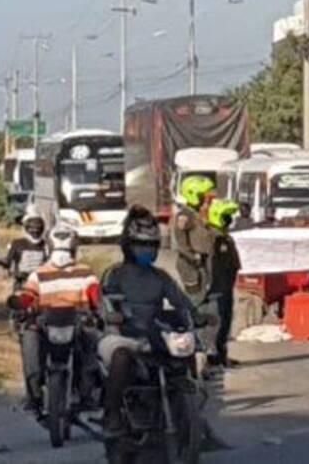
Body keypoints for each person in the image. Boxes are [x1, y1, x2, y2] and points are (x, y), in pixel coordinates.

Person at [99, 205, 199, 441]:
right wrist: (112, 315)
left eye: (152, 246)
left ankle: (190, 413)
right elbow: (104, 303)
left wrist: (197, 316)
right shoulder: (114, 275)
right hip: (120, 335)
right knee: (121, 356)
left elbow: (181, 302)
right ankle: (112, 413)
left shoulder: (161, 277)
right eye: (141, 245)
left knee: (186, 355)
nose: (147, 250)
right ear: (128, 246)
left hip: (155, 337)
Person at [14, 225, 101, 415]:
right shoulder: (43, 274)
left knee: (92, 349)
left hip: (75, 324)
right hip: (47, 325)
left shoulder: (42, 273)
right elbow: (27, 295)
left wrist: (100, 310)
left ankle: (87, 393)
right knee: (29, 339)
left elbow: (96, 296)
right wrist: (19, 304)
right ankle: (34, 394)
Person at [206, 199, 242, 367]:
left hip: (227, 284)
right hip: (218, 285)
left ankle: (222, 354)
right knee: (219, 320)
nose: (230, 219)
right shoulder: (214, 237)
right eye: (227, 216)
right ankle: (214, 356)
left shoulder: (224, 236)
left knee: (227, 319)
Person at [174, 175, 218, 302]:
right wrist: (194, 257)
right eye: (205, 196)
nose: (208, 200)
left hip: (204, 265)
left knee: (207, 299)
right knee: (195, 300)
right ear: (195, 196)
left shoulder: (198, 214)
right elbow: (181, 241)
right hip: (191, 266)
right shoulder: (185, 215)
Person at [0, 207, 48, 291]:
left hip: (27, 281)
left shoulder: (17, 243)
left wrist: (6, 267)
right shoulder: (46, 244)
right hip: (38, 282)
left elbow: (8, 261)